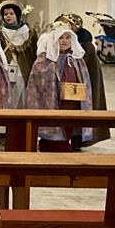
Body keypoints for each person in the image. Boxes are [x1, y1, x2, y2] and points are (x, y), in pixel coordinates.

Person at [26, 23, 93, 152]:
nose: (65, 41)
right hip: (53, 98)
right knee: (55, 120)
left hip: (72, 98)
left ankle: (65, 141)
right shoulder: (45, 59)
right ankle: (52, 144)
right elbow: (38, 80)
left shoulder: (76, 58)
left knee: (70, 119)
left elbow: (83, 77)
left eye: (68, 38)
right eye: (61, 38)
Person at [56, 12, 110, 146]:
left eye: (68, 24)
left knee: (79, 113)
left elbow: (84, 68)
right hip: (63, 85)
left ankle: (78, 140)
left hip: (80, 86)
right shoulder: (60, 41)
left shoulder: (86, 46)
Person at [0, 0, 36, 109]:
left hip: (23, 69)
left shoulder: (28, 31)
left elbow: (34, 52)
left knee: (23, 96)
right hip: (6, 68)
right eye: (5, 14)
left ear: (17, 15)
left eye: (11, 14)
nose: (8, 16)